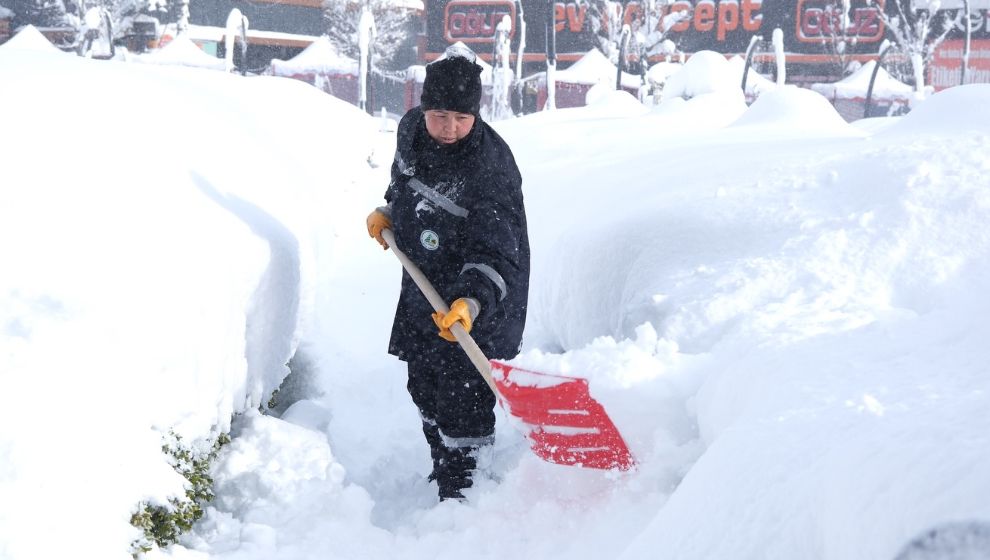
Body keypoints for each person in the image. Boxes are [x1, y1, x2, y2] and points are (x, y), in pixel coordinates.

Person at [366, 47, 530, 501]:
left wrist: (470, 302)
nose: (450, 129)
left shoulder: (489, 168)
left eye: (462, 117)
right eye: (440, 115)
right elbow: (407, 182)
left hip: (477, 297)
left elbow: (496, 252)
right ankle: (443, 467)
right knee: (424, 384)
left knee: (463, 395)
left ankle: (464, 493)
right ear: (423, 108)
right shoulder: (412, 133)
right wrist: (390, 211)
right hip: (423, 285)